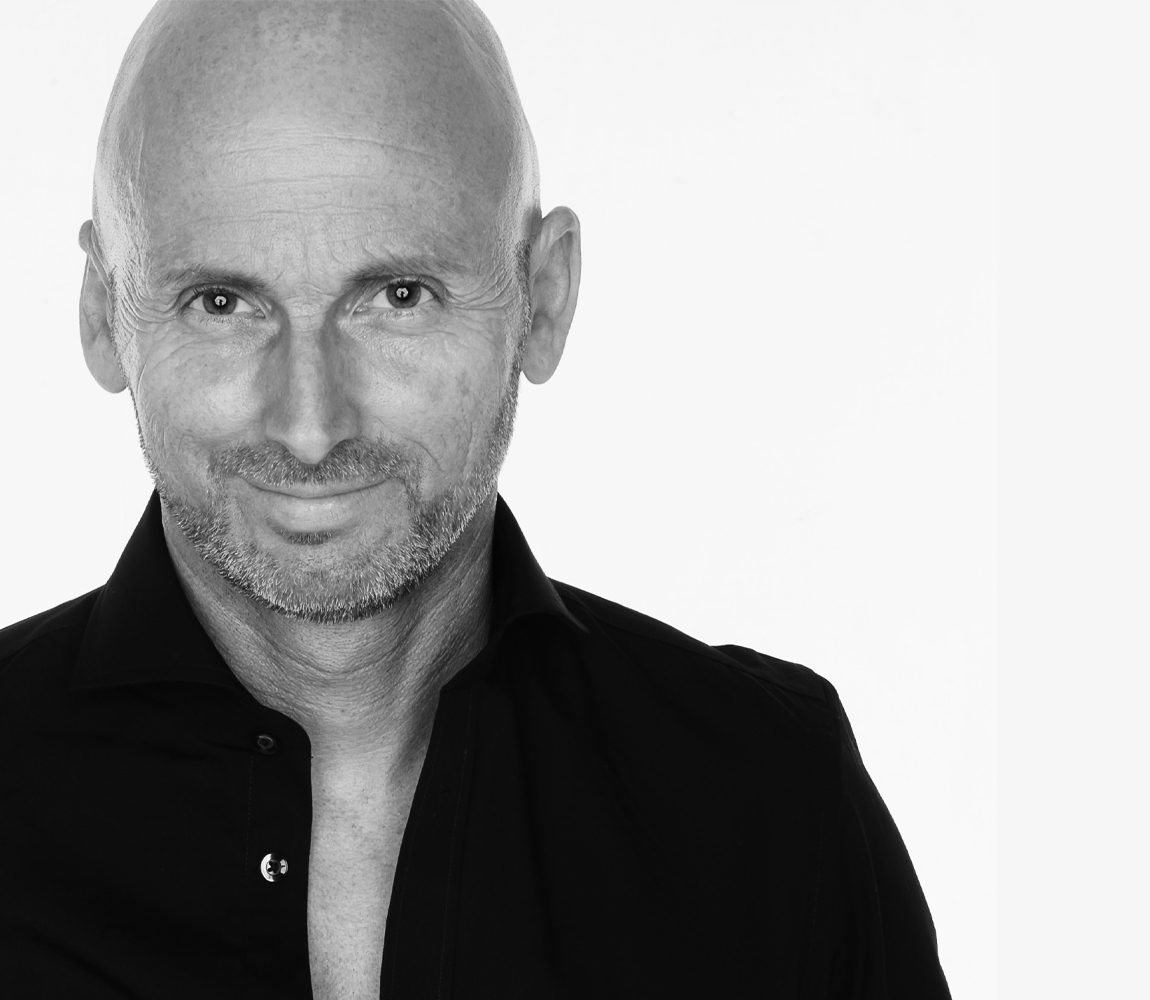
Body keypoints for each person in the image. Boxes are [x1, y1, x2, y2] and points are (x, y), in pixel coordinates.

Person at [0, 2, 950, 997]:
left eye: (398, 297)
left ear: (543, 300)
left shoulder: (770, 802)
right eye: (222, 303)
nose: (310, 425)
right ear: (104, 313)